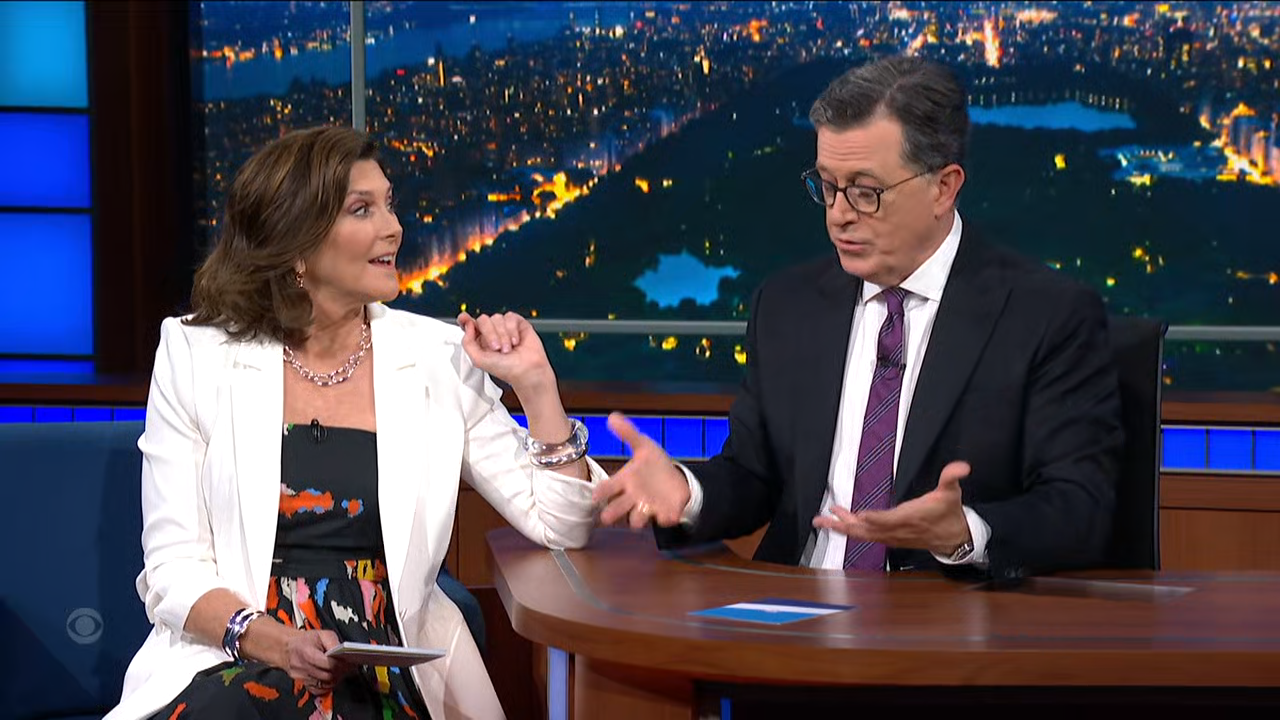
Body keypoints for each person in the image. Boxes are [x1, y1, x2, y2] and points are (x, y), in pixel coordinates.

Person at [106, 126, 606, 720]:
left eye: (389, 204)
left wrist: (536, 385)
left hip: (385, 668)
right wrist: (276, 642)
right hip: (233, 655)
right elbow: (172, 568)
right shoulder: (196, 353)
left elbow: (560, 524)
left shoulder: (438, 358)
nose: (393, 227)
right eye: (362, 209)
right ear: (296, 242)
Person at [592, 55, 1124, 581]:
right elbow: (753, 476)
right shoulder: (787, 305)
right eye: (827, 186)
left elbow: (1082, 508)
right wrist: (689, 493)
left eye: (866, 192)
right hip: (796, 606)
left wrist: (965, 532)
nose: (839, 214)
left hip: (944, 615)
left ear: (943, 187)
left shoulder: (1046, 316)